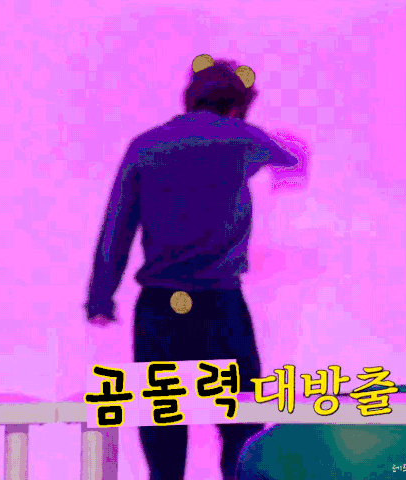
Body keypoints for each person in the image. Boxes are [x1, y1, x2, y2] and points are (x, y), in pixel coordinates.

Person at [84, 55, 310, 480]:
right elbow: (291, 159)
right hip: (220, 305)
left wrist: (100, 298)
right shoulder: (244, 139)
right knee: (242, 423)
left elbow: (117, 224)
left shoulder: (146, 145)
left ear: (189, 97)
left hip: (159, 309)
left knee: (163, 427)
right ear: (239, 105)